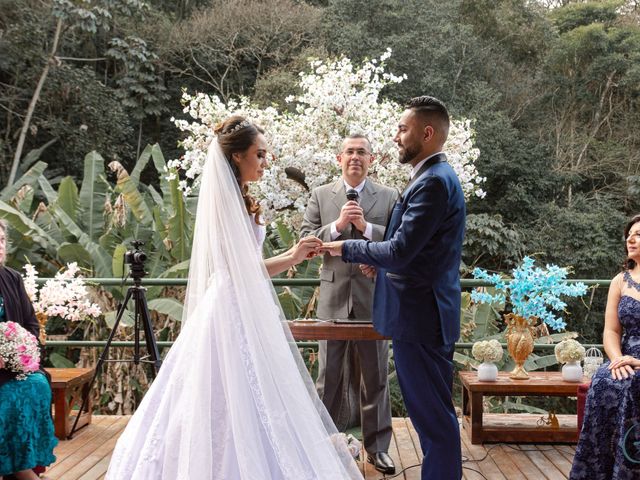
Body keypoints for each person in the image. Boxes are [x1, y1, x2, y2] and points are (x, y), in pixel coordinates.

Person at [106, 116, 363, 479]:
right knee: (224, 394)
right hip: (230, 310)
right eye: (259, 154)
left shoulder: (243, 200)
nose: (264, 161)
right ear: (238, 156)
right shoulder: (227, 206)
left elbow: (247, 267)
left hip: (242, 303)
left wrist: (295, 254)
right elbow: (237, 270)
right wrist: (292, 255)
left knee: (249, 396)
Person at [322, 96, 465, 480]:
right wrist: (381, 269)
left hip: (420, 319)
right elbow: (418, 254)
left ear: (427, 132)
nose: (396, 136)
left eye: (403, 129)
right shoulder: (431, 176)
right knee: (431, 417)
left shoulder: (434, 182)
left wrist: (347, 248)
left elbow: (401, 248)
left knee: (434, 420)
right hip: (419, 314)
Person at [300, 134, 398, 475]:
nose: (355, 157)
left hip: (374, 299)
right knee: (328, 378)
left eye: (362, 152)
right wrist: (339, 226)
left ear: (372, 159)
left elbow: (401, 241)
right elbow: (305, 241)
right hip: (333, 300)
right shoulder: (320, 195)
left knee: (376, 379)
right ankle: (321, 447)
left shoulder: (388, 196)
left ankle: (378, 449)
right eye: (350, 152)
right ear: (339, 158)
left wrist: (366, 227)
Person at [570, 215, 640, 479]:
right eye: (629, 234)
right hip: (622, 357)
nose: (630, 239)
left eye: (639, 234)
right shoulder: (620, 281)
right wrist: (617, 359)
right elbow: (611, 331)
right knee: (603, 380)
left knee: (634, 384)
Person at [0, 220, 58, 480]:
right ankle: (18, 471)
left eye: (1, 241)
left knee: (37, 383)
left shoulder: (12, 278)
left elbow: (31, 325)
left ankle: (21, 465)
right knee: (12, 396)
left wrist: (19, 351)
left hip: (12, 367)